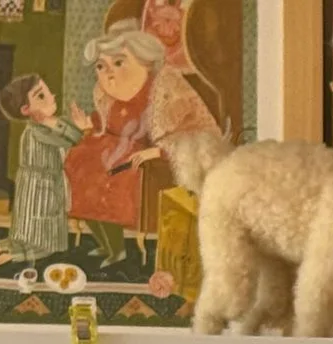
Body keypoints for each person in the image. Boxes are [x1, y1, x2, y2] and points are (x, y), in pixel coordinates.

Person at [64, 27, 221, 269]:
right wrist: (89, 127)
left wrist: (158, 151)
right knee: (80, 166)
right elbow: (107, 124)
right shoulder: (107, 97)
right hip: (112, 153)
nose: (109, 74)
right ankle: (109, 246)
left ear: (146, 63)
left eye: (118, 63)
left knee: (112, 180)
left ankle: (118, 250)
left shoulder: (167, 91)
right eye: (101, 67)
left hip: (146, 164)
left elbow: (197, 135)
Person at [0, 73, 83, 270]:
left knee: (28, 229)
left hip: (34, 184)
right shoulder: (39, 130)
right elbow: (74, 138)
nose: (51, 96)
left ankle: (4, 248)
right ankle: (11, 255)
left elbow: (68, 134)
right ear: (26, 109)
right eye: (41, 96)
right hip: (41, 188)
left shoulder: (39, 127)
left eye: (47, 92)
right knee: (44, 241)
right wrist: (72, 127)